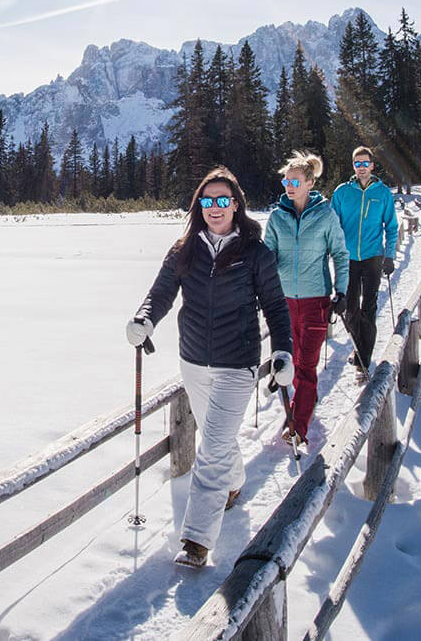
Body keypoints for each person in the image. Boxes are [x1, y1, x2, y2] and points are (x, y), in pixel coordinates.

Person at [127, 166, 292, 569]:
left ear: (236, 205)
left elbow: (275, 307)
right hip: (194, 360)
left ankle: (196, 541)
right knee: (218, 439)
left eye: (222, 200)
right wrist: (144, 319)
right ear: (198, 205)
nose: (214, 208)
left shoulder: (255, 252)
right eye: (207, 200)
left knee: (214, 444)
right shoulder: (184, 249)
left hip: (238, 362)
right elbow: (161, 293)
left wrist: (284, 353)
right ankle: (233, 483)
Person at [261, 151, 350, 447]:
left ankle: (298, 427)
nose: (289, 186)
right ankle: (301, 406)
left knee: (306, 366)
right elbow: (267, 255)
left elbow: (339, 253)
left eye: (295, 181)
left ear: (310, 182)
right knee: (291, 361)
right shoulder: (277, 217)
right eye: (287, 180)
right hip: (284, 303)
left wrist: (343, 291)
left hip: (316, 301)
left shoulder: (326, 216)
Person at [330, 146, 400, 379]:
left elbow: (391, 227)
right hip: (347, 259)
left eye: (365, 163)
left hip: (372, 258)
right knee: (350, 310)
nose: (361, 168)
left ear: (372, 165)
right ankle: (359, 347)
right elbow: (332, 226)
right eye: (357, 164)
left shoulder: (382, 194)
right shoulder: (342, 193)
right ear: (353, 166)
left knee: (368, 308)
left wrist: (389, 256)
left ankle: (363, 361)